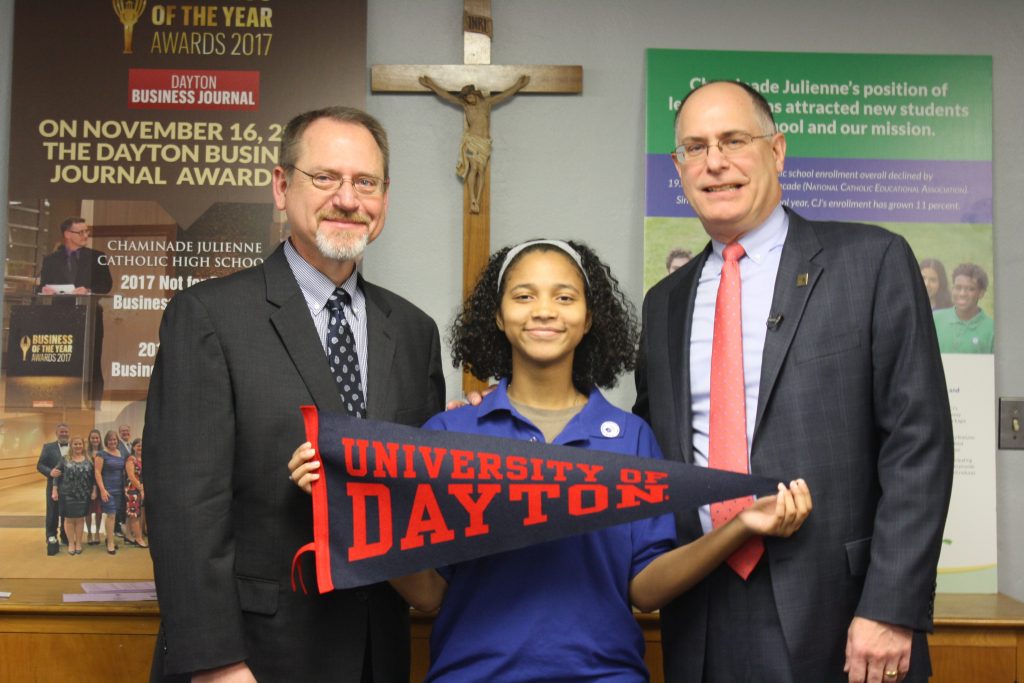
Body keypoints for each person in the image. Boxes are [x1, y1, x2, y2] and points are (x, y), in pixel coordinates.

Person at [291, 239, 811, 682]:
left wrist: (739, 526)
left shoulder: (630, 437)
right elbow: (428, 595)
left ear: (588, 319)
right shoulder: (448, 434)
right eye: (524, 296)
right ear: (498, 316)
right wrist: (342, 501)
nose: (544, 310)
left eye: (565, 297)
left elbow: (646, 588)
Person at [634, 81, 954, 683]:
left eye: (734, 140)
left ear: (777, 151)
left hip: (842, 617)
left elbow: (919, 445)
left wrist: (889, 607)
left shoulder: (872, 261)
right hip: (702, 617)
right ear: (678, 168)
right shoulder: (665, 304)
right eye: (695, 148)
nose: (715, 162)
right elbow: (646, 443)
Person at [144, 106, 445, 683]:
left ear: (385, 198)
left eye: (366, 182)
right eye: (325, 177)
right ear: (282, 186)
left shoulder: (412, 331)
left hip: (373, 654)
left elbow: (416, 499)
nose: (347, 198)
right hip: (252, 656)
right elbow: (185, 508)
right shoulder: (209, 316)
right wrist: (218, 665)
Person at [418, 74, 530, 213]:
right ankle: (472, 199)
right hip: (472, 141)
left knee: (481, 170)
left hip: (484, 143)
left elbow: (504, 95)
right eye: (466, 98)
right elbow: (446, 96)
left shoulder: (486, 103)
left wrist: (518, 85)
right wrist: (431, 85)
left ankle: (478, 199)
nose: (468, 99)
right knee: (473, 169)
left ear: (475, 94)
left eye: (470, 96)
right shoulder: (466, 106)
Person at [38, 217, 113, 402]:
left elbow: (106, 285)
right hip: (60, 317)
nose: (85, 235)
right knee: (62, 359)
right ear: (67, 234)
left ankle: (94, 402)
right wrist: (45, 290)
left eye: (87, 231)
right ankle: (62, 398)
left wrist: (88, 290)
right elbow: (42, 285)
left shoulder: (98, 257)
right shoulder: (51, 259)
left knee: (92, 360)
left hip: (89, 316)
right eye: (80, 232)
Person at [933, 263, 993, 354]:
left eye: (970, 289)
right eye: (958, 288)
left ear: (981, 293)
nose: (962, 294)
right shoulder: (935, 319)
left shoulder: (992, 329)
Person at [53, 435, 96, 555]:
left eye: (80, 444)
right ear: (71, 445)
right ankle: (71, 543)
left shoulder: (89, 459)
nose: (78, 446)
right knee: (68, 519)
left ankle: (79, 543)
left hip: (83, 495)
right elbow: (56, 475)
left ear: (83, 445)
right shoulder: (64, 458)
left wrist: (94, 490)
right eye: (75, 444)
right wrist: (54, 490)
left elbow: (93, 478)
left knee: (80, 519)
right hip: (67, 494)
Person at [36, 422, 70, 554]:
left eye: (66, 432)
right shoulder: (48, 447)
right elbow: (40, 465)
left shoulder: (73, 447)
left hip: (69, 487)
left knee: (67, 513)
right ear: (57, 433)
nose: (64, 434)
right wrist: (50, 472)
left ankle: (65, 536)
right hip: (53, 486)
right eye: (61, 432)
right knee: (52, 512)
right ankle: (51, 536)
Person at [95, 430, 125, 555]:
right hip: (108, 489)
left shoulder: (120, 453)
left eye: (114, 440)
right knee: (111, 515)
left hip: (119, 489)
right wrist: (102, 490)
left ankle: (110, 538)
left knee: (114, 515)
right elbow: (97, 472)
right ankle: (110, 543)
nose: (112, 442)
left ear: (117, 441)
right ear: (106, 441)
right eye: (110, 440)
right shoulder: (101, 454)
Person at [124, 438, 147, 548]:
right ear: (133, 447)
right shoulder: (131, 459)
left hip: (142, 489)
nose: (140, 447)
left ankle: (129, 536)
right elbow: (131, 477)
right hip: (133, 490)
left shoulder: (144, 458)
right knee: (135, 515)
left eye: (142, 445)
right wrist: (141, 489)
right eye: (138, 445)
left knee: (134, 515)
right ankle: (138, 538)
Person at [85, 428, 104, 545]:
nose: (95, 440)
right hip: (87, 486)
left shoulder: (103, 452)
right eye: (93, 438)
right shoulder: (85, 453)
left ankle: (97, 532)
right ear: (89, 439)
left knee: (99, 511)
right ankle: (89, 533)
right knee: (87, 511)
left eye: (97, 438)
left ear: (100, 439)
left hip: (100, 484)